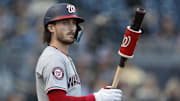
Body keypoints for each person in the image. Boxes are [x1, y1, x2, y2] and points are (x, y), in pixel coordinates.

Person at [35, 3, 123, 101]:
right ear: (51, 27)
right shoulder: (53, 58)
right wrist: (97, 97)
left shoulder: (63, 57)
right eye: (65, 23)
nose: (72, 28)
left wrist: (103, 95)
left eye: (73, 23)